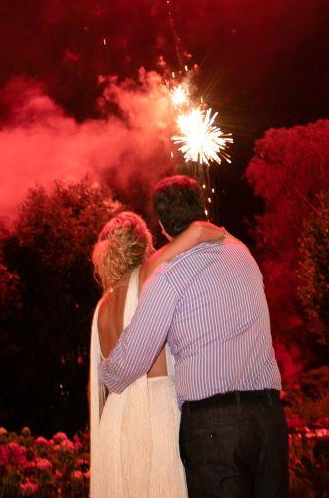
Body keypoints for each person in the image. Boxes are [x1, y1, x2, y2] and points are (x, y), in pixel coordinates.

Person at [100, 175, 288, 498]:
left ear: (161, 226)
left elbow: (133, 359)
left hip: (213, 426)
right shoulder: (243, 254)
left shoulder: (168, 277)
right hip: (269, 417)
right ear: (203, 208)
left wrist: (104, 371)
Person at [89, 209, 225, 498]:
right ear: (143, 245)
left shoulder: (102, 307)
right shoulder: (148, 276)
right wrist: (226, 236)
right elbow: (198, 232)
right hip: (155, 412)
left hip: (113, 419)